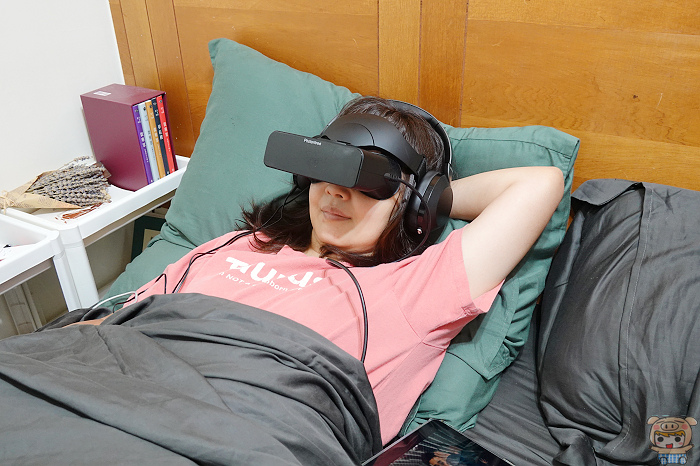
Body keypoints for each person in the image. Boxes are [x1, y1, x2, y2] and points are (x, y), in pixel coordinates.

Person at [74, 96, 564, 444]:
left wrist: (428, 199)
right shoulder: (237, 245)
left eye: (367, 179)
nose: (334, 190)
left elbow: (540, 183)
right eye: (327, 166)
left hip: (237, 429)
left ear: (414, 202)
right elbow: (112, 329)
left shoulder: (416, 288)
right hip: (108, 394)